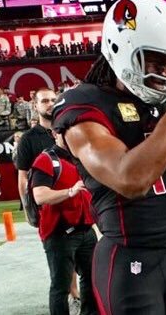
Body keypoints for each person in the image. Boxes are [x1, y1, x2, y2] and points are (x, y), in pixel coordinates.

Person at [52, 0, 166, 314]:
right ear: (120, 50)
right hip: (128, 261)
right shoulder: (85, 106)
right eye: (155, 61)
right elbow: (131, 179)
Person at [29, 129, 98, 315]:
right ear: (55, 133)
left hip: (86, 230)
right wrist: (70, 191)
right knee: (61, 286)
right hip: (60, 233)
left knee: (92, 280)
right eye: (64, 132)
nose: (70, 137)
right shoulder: (45, 160)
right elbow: (40, 196)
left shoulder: (83, 157)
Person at [16, 88, 58, 213]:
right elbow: (23, 177)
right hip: (47, 208)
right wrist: (28, 210)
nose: (50, 104)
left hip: (77, 201)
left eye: (53, 100)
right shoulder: (27, 138)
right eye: (45, 101)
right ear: (35, 106)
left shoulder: (69, 131)